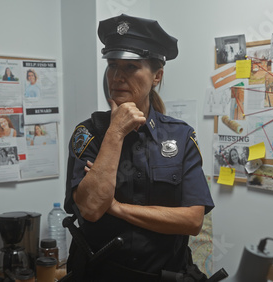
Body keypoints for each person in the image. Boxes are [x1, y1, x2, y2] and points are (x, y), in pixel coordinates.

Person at [64, 14, 214, 281]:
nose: (117, 76)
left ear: (157, 76)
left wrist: (118, 208)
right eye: (112, 65)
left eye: (131, 67)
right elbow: (90, 208)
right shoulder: (88, 133)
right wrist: (115, 132)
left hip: (166, 275)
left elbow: (192, 221)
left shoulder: (180, 136)